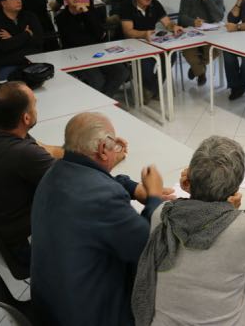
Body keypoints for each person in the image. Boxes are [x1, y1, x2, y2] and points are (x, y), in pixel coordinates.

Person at [31, 112, 168, 326]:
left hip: (49, 305)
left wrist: (133, 188)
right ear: (104, 149)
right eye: (113, 142)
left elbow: (93, 176)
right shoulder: (102, 198)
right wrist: (154, 197)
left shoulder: (53, 173)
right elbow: (145, 246)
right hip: (88, 315)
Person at [132, 136, 245, 326]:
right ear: (235, 187)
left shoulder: (162, 215)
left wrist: (194, 191)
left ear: (189, 180)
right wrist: (230, 211)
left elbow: (195, 216)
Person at [0, 81, 63, 266]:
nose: (37, 107)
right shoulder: (21, 153)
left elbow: (43, 150)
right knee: (75, 201)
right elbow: (74, 178)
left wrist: (76, 150)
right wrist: (107, 156)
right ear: (26, 118)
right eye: (34, 104)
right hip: (19, 246)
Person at [56, 0, 129, 97]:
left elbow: (100, 33)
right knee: (98, 80)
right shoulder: (61, 17)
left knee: (122, 72)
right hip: (77, 56)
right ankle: (101, 101)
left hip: (97, 52)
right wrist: (92, 38)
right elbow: (74, 40)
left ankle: (104, 99)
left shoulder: (90, 11)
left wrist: (86, 13)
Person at [121, 0, 183, 102]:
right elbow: (128, 31)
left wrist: (173, 27)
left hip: (151, 42)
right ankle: (153, 88)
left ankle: (150, 88)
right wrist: (144, 34)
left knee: (171, 54)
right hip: (133, 44)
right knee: (146, 62)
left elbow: (167, 23)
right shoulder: (127, 6)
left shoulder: (155, 4)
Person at [178, 0, 226, 86]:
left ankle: (197, 69)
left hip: (210, 35)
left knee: (214, 52)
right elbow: (181, 17)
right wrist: (193, 21)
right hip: (191, 34)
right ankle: (200, 72)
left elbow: (218, 17)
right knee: (188, 53)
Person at [0, 0, 44, 80]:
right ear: (3, 3)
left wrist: (13, 38)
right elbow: (5, 47)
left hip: (33, 62)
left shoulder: (30, 17)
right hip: (10, 66)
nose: (19, 1)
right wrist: (26, 35)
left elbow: (39, 42)